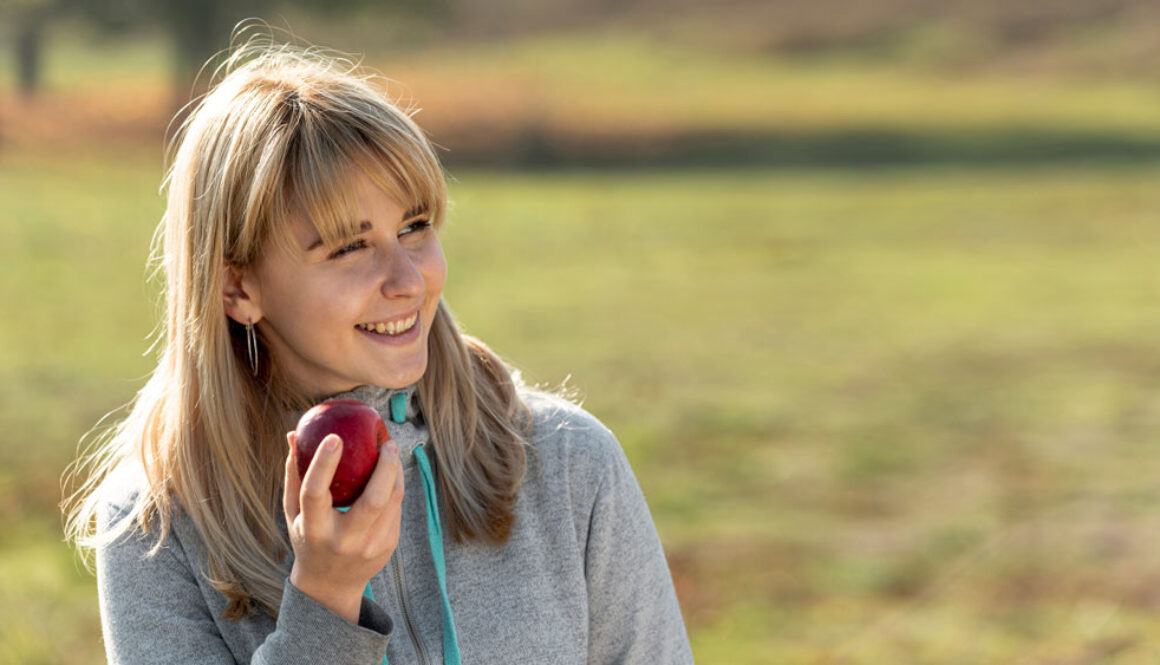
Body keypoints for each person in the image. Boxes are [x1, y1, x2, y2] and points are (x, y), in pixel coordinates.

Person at [63, 37, 693, 665]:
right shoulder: (156, 528)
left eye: (414, 228)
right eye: (349, 248)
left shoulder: (566, 463)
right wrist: (325, 602)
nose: (409, 281)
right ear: (238, 287)